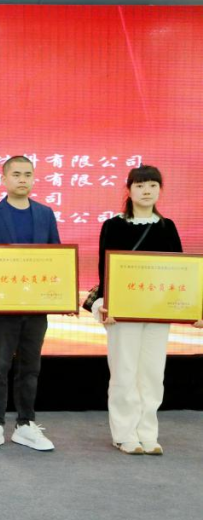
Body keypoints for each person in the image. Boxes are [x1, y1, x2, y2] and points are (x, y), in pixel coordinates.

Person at [93, 166, 202, 455]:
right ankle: (124, 434)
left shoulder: (168, 227)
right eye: (140, 185)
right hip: (122, 313)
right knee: (124, 371)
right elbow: (105, 270)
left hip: (157, 311)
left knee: (152, 373)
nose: (146, 191)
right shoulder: (113, 225)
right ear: (128, 190)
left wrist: (193, 308)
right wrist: (106, 304)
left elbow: (181, 272)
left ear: (160, 190)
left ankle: (148, 433)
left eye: (153, 185)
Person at [0, 155, 60, 452]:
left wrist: (57, 293)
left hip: (35, 307)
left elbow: (56, 256)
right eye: (17, 174)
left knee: (30, 368)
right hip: (1, 308)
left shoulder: (45, 214)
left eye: (28, 174)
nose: (23, 179)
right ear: (4, 179)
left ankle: (25, 424)